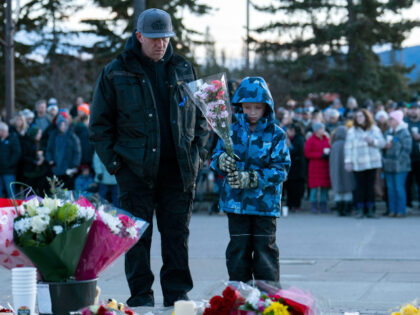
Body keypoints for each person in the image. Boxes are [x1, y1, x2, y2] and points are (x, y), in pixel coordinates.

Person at [89, 8, 209, 307]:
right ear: (139, 36)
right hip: (134, 171)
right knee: (137, 239)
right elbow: (99, 126)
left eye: (166, 38)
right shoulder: (116, 71)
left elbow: (205, 117)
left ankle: (177, 296)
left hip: (178, 171)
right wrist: (117, 166)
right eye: (154, 38)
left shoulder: (184, 68)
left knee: (176, 237)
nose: (161, 44)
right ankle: (141, 297)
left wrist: (199, 154)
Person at [210, 76, 291, 283]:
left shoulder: (276, 135)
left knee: (265, 252)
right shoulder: (229, 131)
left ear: (267, 107)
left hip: (265, 205)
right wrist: (222, 161)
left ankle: (268, 299)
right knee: (238, 251)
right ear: (240, 106)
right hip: (236, 204)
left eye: (258, 107)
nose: (253, 113)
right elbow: (214, 158)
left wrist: (251, 178)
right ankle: (239, 295)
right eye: (248, 107)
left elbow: (281, 169)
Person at [344, 109, 385, 218]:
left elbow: (382, 143)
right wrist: (348, 161)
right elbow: (348, 147)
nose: (359, 118)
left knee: (370, 186)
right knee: (360, 187)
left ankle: (371, 210)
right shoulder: (352, 131)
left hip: (372, 162)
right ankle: (360, 209)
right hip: (358, 163)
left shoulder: (374, 129)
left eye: (361, 116)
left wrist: (373, 141)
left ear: (366, 117)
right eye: (357, 117)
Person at [383, 110, 412, 217]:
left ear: (397, 120)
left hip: (401, 166)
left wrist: (400, 160)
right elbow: (383, 148)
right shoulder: (388, 133)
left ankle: (400, 210)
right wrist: (385, 147)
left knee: (399, 188)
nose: (390, 121)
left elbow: (407, 149)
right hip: (389, 165)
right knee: (390, 188)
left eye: (392, 119)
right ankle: (392, 210)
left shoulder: (404, 132)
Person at [46, 114, 81, 190]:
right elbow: (49, 149)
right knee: (57, 191)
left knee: (68, 190)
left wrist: (74, 165)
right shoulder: (54, 135)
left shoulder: (72, 136)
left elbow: (77, 152)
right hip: (56, 168)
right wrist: (50, 160)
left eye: (64, 125)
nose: (63, 126)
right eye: (61, 125)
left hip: (68, 169)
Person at [304, 122, 331, 213]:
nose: (323, 130)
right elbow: (307, 153)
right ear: (316, 130)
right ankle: (313, 206)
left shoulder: (327, 139)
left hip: (325, 166)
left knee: (324, 187)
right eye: (321, 128)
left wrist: (328, 155)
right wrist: (320, 155)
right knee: (314, 188)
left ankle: (324, 205)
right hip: (315, 167)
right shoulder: (310, 140)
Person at [329, 126, 354, 216]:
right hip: (347, 171)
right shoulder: (347, 143)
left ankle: (340, 210)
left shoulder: (334, 145)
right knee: (347, 190)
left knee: (338, 191)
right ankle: (347, 210)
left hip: (336, 171)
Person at [284, 123, 306, 211]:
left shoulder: (299, 139)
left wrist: (290, 147)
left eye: (288, 130)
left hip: (298, 168)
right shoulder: (290, 139)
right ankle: (290, 204)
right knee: (290, 187)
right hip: (292, 168)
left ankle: (296, 204)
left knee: (296, 188)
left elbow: (298, 152)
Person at [0, 122, 21, 197]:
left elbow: (17, 153)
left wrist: (8, 164)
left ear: (3, 131)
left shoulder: (13, 139)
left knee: (10, 192)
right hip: (0, 170)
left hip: (9, 171)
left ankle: (12, 208)